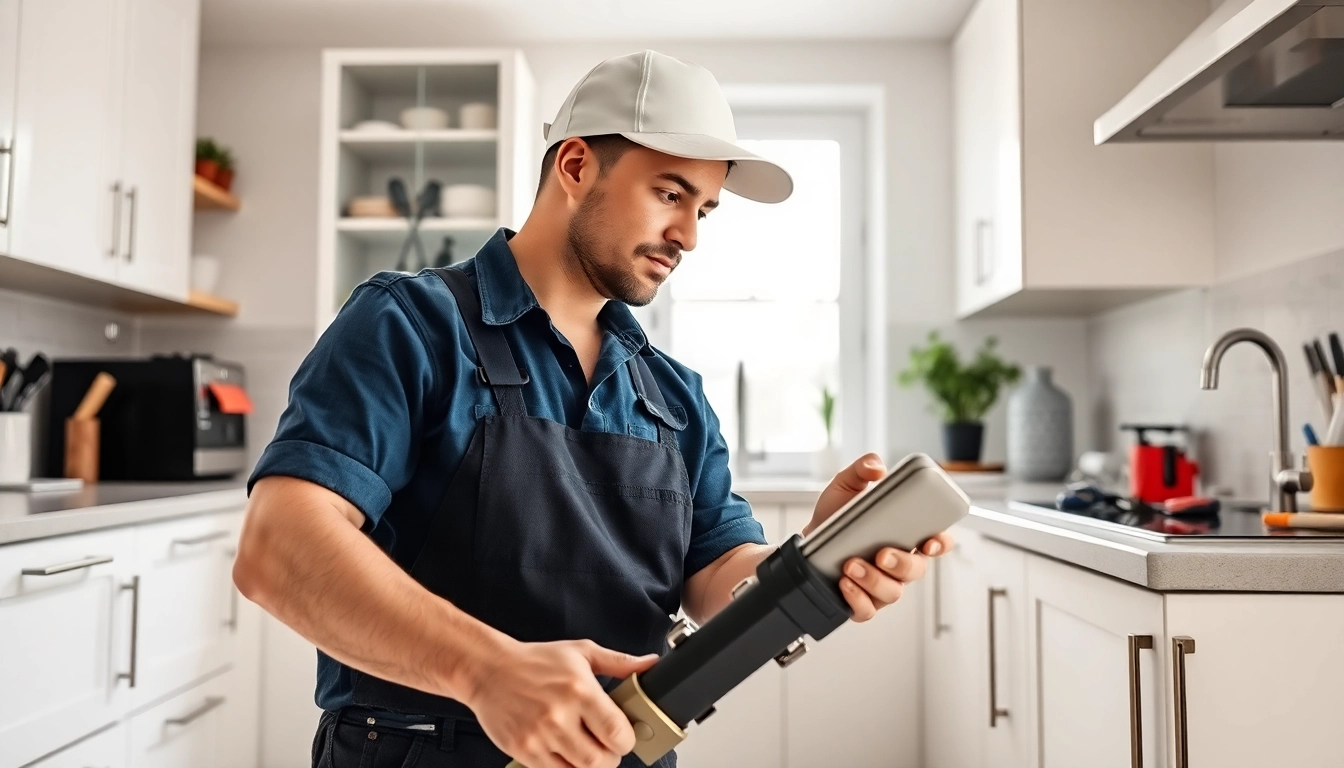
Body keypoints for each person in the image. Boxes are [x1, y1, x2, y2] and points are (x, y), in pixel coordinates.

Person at [234, 49, 953, 768]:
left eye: (703, 210)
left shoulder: (674, 396)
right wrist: (485, 671)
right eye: (670, 194)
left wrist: (810, 562)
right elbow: (278, 550)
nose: (689, 236)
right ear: (576, 166)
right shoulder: (409, 324)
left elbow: (716, 577)